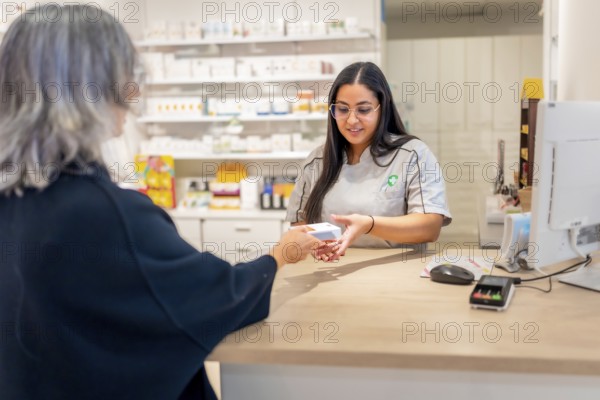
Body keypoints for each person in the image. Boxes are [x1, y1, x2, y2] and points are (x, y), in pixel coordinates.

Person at [0, 5, 320, 400]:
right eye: (124, 77)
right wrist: (279, 255)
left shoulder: (15, 200)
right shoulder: (106, 214)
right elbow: (211, 298)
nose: (133, 94)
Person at [286, 61, 452, 261]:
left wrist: (370, 225)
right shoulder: (317, 161)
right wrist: (315, 244)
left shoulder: (413, 155)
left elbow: (430, 227)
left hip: (397, 274)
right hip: (330, 273)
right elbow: (299, 224)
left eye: (363, 110)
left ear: (383, 109)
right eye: (342, 109)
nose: (352, 120)